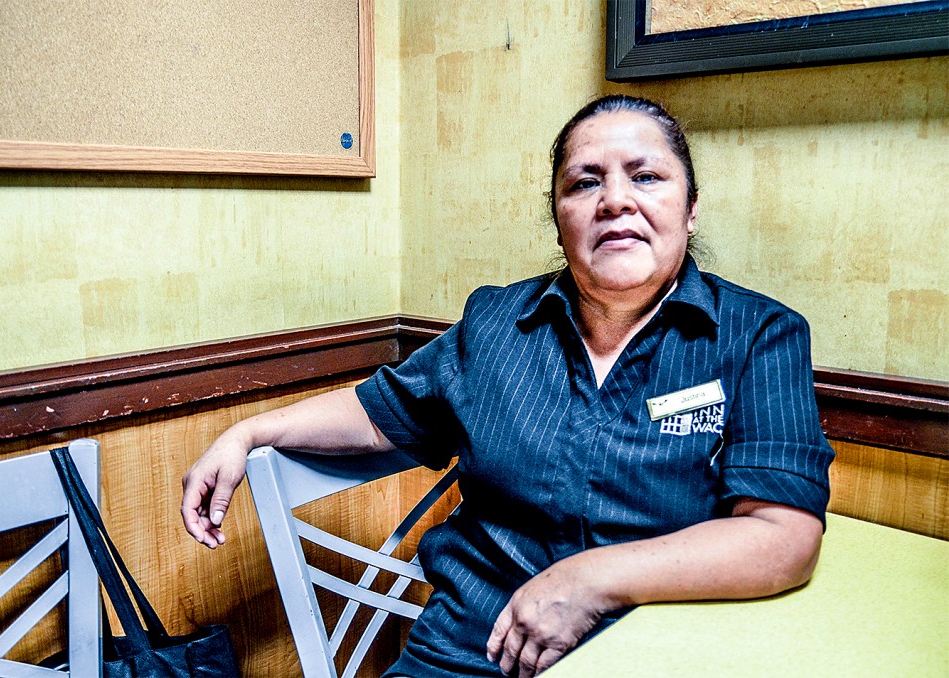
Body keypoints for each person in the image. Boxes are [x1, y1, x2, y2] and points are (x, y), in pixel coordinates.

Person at [181, 94, 834, 678]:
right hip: (470, 650)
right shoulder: (496, 323)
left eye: (645, 177)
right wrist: (249, 430)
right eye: (584, 183)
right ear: (559, 219)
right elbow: (382, 412)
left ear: (689, 210)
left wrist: (589, 580)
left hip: (649, 648)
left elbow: (782, 535)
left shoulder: (758, 334)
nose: (615, 200)